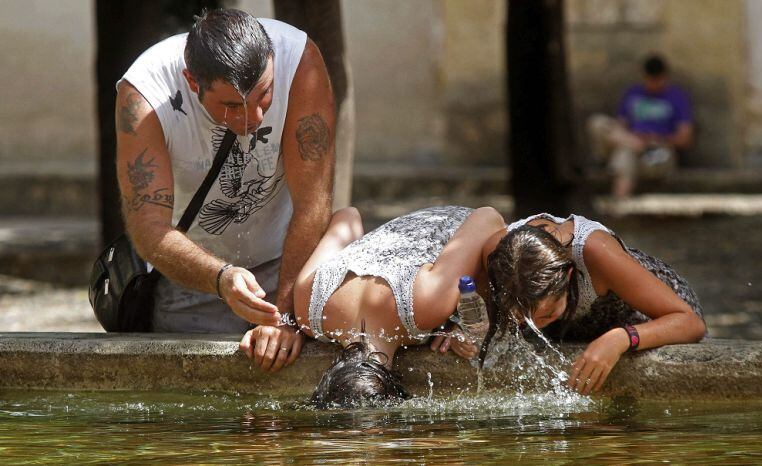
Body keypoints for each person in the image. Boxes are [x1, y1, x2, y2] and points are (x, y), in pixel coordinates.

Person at [115, 9, 334, 362]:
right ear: (191, 81)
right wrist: (221, 278)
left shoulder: (299, 61)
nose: (254, 118)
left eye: (265, 94)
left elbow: (314, 203)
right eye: (232, 105)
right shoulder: (143, 93)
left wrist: (286, 316)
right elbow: (148, 229)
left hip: (290, 263)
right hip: (191, 279)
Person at [240, 206, 504, 406]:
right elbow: (348, 217)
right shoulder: (310, 309)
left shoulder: (424, 307)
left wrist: (470, 322)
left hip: (460, 226)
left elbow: (488, 218)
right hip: (414, 239)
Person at [481, 212, 707, 396]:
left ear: (568, 276)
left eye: (547, 314)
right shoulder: (499, 258)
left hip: (648, 315)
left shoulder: (596, 251)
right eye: (525, 318)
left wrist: (621, 338)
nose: (536, 326)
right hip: (580, 328)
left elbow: (691, 323)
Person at [588, 54, 693, 198]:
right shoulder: (632, 94)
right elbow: (619, 127)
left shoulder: (677, 97)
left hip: (659, 150)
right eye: (650, 79)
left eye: (658, 79)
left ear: (665, 77)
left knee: (625, 157)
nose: (654, 84)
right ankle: (620, 207)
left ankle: (619, 204)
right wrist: (636, 140)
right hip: (631, 143)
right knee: (599, 123)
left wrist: (657, 138)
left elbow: (685, 139)